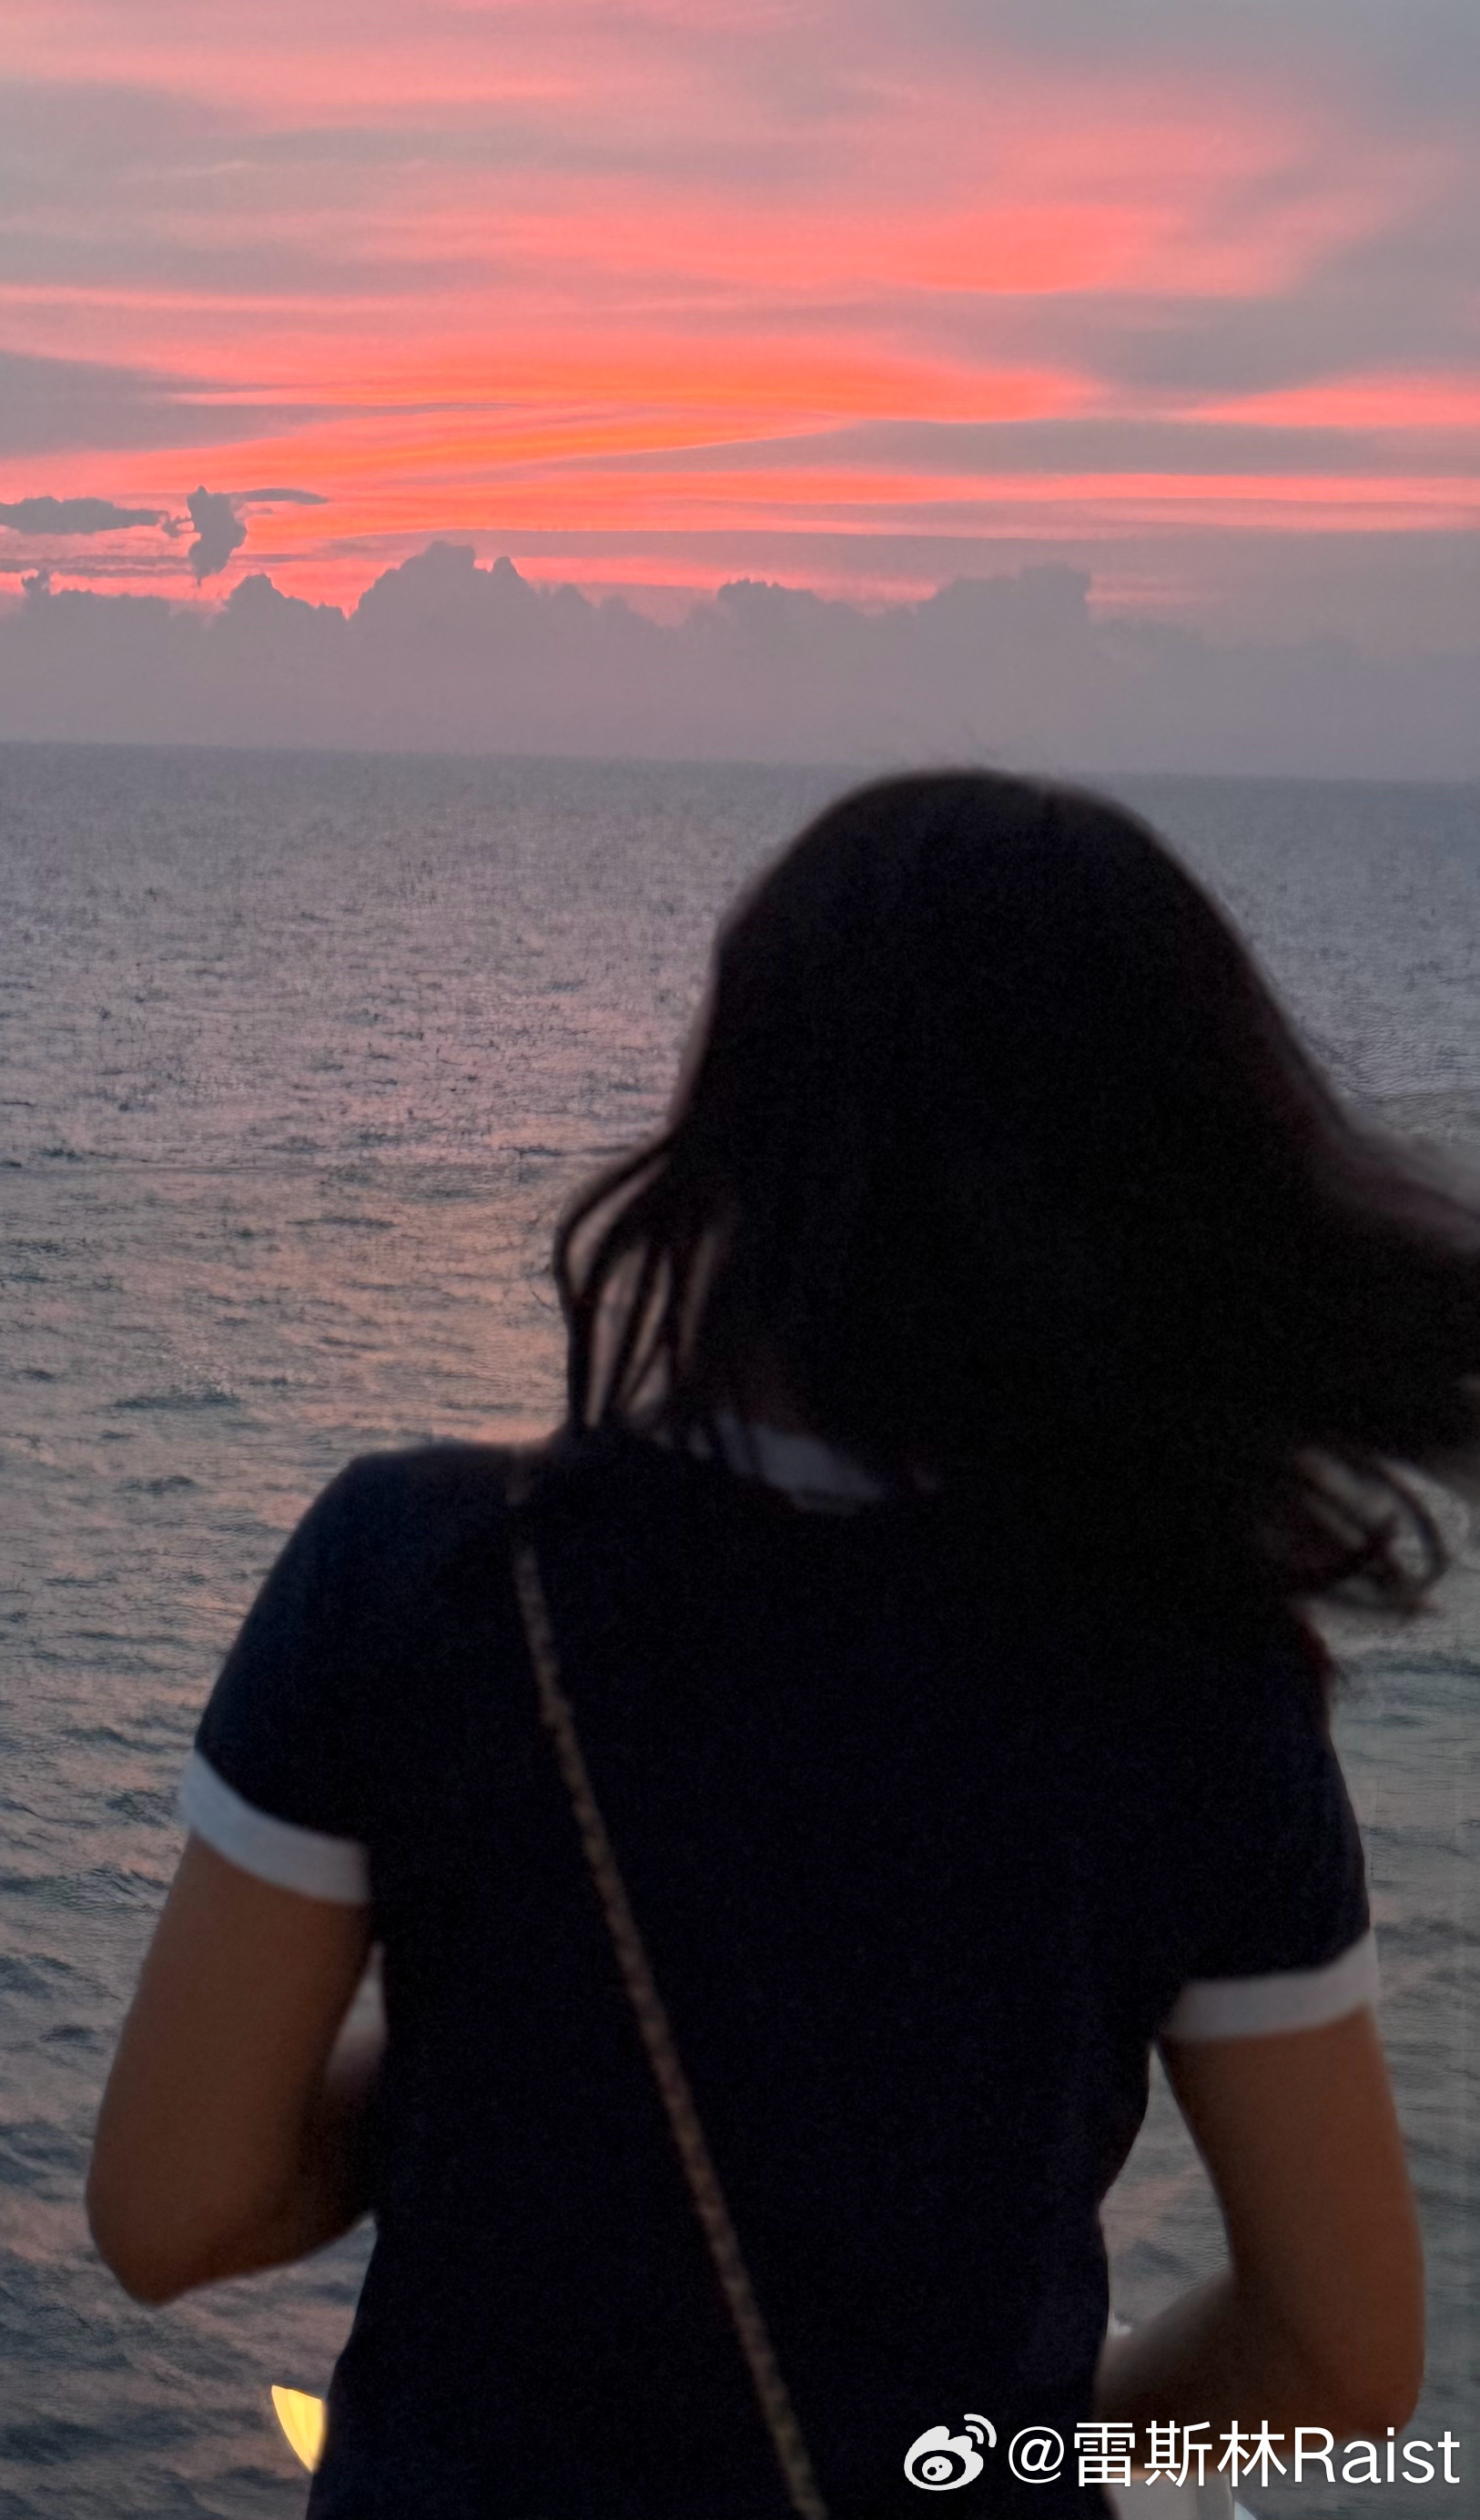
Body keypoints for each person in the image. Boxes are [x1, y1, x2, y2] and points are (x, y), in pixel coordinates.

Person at [86, 770, 1480, 2515]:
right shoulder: (1200, 1678)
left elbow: (173, 2208)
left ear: (734, 1124)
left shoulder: (423, 1571)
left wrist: (482, 2055)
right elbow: (1339, 2363)